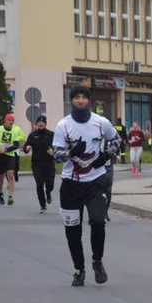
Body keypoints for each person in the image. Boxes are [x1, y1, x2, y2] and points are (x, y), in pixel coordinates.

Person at [52, 85, 122, 286]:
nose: (80, 101)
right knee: (73, 230)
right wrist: (71, 152)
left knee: (98, 221)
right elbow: (57, 155)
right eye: (76, 97)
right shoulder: (63, 125)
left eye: (84, 97)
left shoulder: (101, 122)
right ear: (71, 100)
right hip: (71, 184)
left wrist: (107, 155)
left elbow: (117, 141)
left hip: (96, 181)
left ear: (90, 100)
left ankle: (97, 261)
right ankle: (78, 269)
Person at [0, 114, 26, 206]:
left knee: (10, 174)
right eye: (9, 120)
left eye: (12, 120)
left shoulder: (15, 131)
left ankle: (10, 196)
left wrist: (7, 150)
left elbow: (16, 145)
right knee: (0, 176)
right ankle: (0, 192)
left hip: (10, 155)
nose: (11, 122)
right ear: (5, 121)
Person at [23, 114, 56, 213]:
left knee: (50, 184)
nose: (41, 123)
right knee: (39, 184)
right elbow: (26, 146)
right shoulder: (33, 135)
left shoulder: (51, 134)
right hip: (37, 164)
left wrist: (53, 152)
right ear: (36, 124)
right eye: (39, 122)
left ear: (45, 123)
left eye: (43, 122)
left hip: (49, 164)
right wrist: (27, 149)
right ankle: (43, 205)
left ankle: (48, 191)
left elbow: (58, 146)